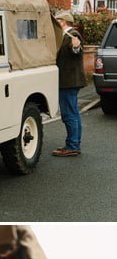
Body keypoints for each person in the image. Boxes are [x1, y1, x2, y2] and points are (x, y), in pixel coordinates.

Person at [51, 11, 85, 158]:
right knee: (74, 114)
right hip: (71, 81)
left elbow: (76, 51)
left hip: (68, 81)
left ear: (63, 22)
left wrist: (76, 47)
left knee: (69, 114)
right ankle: (74, 144)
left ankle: (72, 146)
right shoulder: (65, 35)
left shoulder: (73, 35)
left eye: (57, 20)